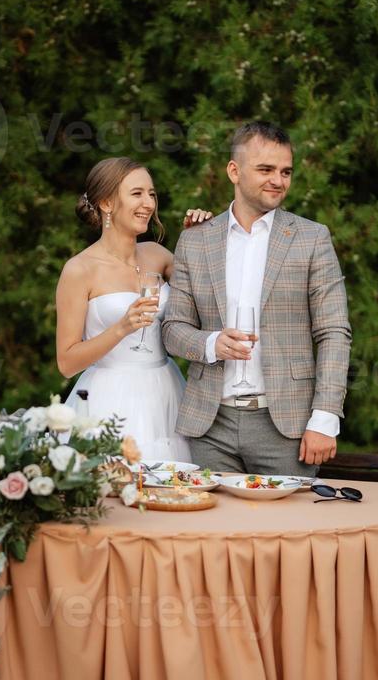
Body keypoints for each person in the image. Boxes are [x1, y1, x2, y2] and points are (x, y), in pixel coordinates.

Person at [161, 121, 351, 476]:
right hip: (208, 426)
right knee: (212, 531)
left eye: (286, 171)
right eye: (265, 169)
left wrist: (325, 417)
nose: (278, 180)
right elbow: (173, 329)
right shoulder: (195, 240)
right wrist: (211, 343)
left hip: (286, 428)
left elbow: (334, 332)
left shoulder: (312, 238)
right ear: (234, 171)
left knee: (286, 531)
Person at [56, 156, 211, 462]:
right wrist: (121, 327)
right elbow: (66, 362)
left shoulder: (157, 255)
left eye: (151, 193)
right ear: (106, 203)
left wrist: (201, 240)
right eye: (137, 193)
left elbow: (210, 299)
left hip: (165, 391)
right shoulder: (79, 269)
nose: (149, 203)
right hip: (108, 398)